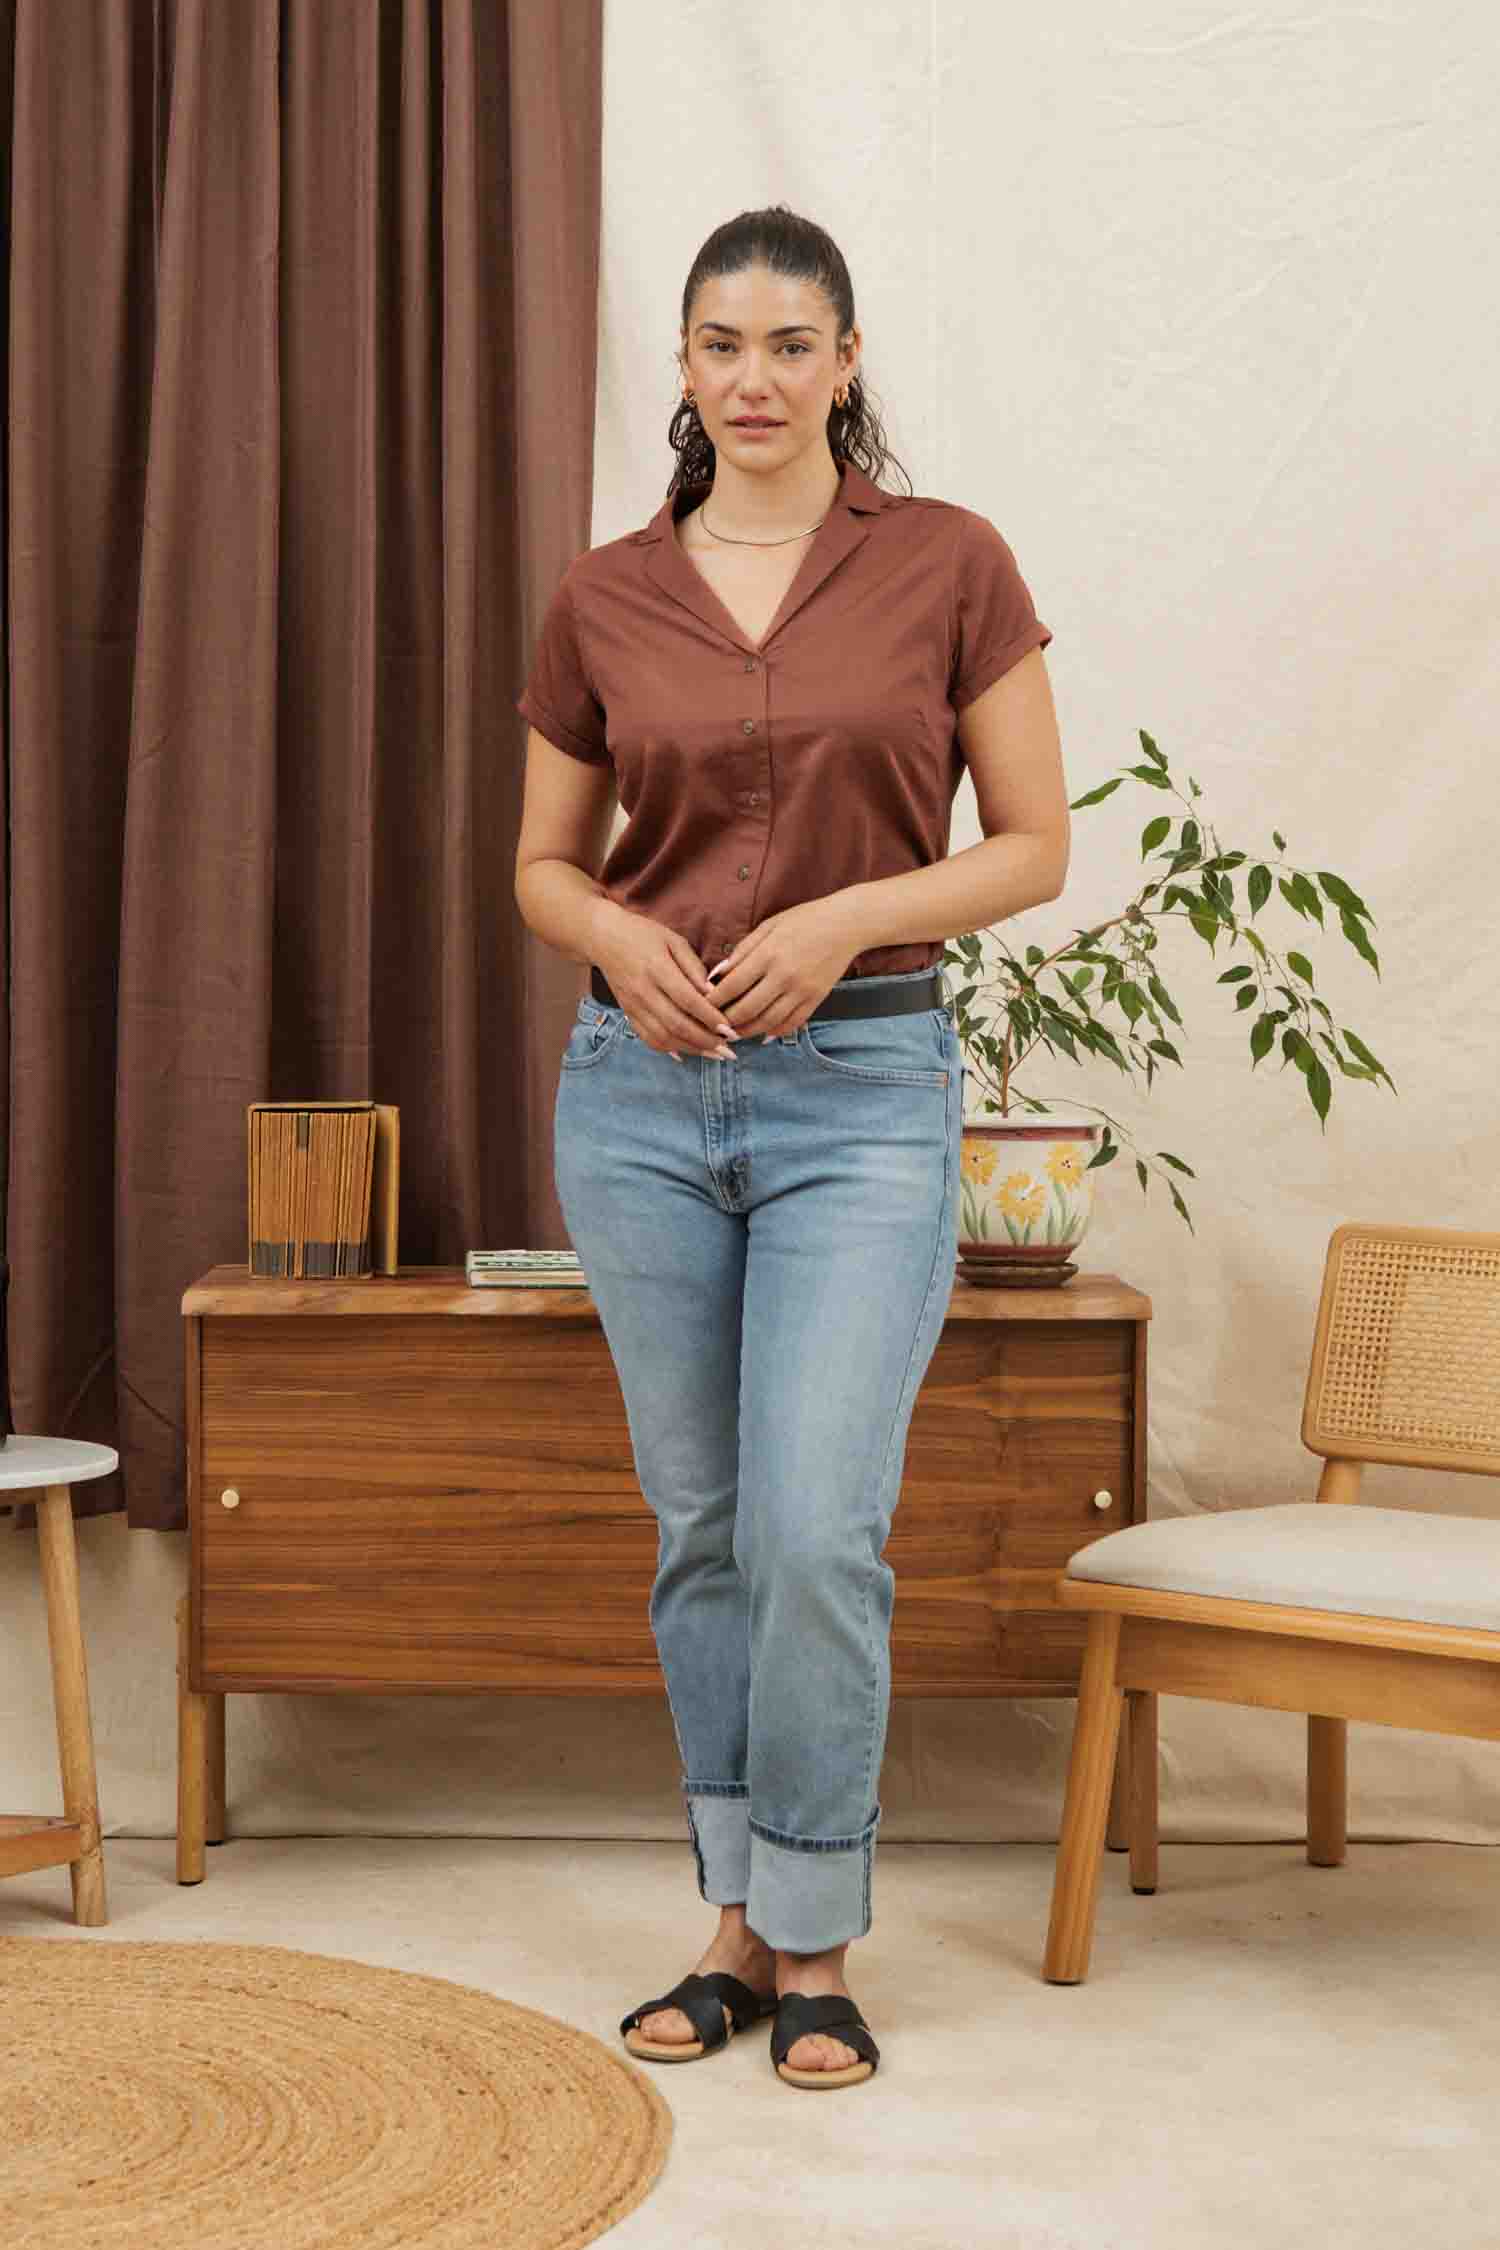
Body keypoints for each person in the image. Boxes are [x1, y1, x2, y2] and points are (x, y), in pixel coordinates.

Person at [514, 204, 1061, 2089]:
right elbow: (538, 866)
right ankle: (736, 1923)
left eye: (791, 344)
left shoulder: (948, 565)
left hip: (864, 1097)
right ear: (681, 367)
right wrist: (613, 934)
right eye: (720, 344)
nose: (754, 378)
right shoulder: (603, 595)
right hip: (640, 1105)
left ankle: (819, 1930)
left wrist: (841, 921)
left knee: (820, 1525)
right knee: (709, 1526)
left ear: (846, 365)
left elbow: (1034, 845)